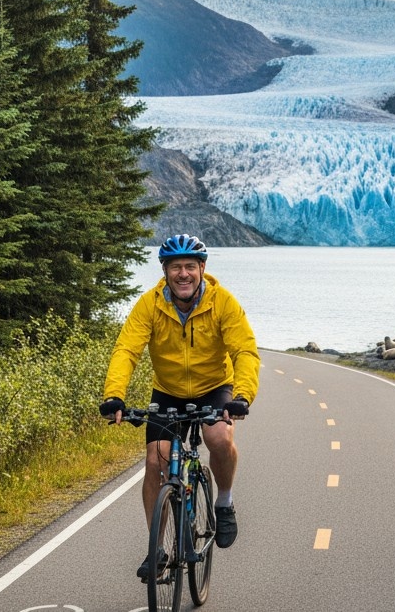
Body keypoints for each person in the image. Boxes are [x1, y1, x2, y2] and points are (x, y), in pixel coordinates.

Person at [100, 233, 259, 580]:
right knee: (155, 458)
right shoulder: (150, 304)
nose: (183, 274)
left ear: (202, 269)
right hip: (168, 390)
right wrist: (115, 395)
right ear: (165, 271)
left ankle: (224, 501)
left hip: (214, 387)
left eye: (190, 266)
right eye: (176, 267)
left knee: (218, 438)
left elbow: (244, 351)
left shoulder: (222, 303)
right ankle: (155, 549)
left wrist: (242, 396)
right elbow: (127, 350)